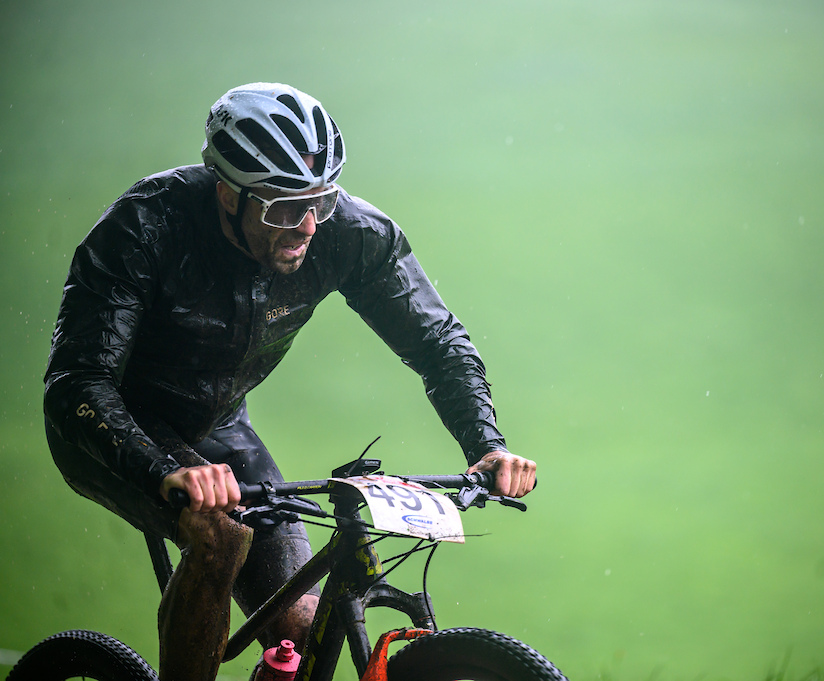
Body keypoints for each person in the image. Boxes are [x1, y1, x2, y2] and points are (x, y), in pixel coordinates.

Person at [42, 82, 536, 681]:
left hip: (220, 431)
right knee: (219, 535)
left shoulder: (349, 233)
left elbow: (437, 341)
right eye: (281, 207)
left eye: (319, 202)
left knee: (303, 632)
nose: (305, 225)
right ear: (227, 193)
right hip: (112, 426)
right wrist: (162, 470)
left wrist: (485, 444)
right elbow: (78, 383)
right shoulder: (146, 225)